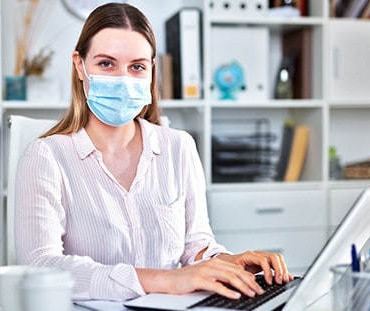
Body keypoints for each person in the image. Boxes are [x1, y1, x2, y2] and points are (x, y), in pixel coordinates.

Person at [15, 2, 293, 302]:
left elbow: (194, 244)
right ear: (80, 65)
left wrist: (228, 262)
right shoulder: (46, 157)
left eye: (137, 66)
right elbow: (40, 265)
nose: (123, 79)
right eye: (106, 64)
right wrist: (166, 280)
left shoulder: (179, 147)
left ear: (151, 71)